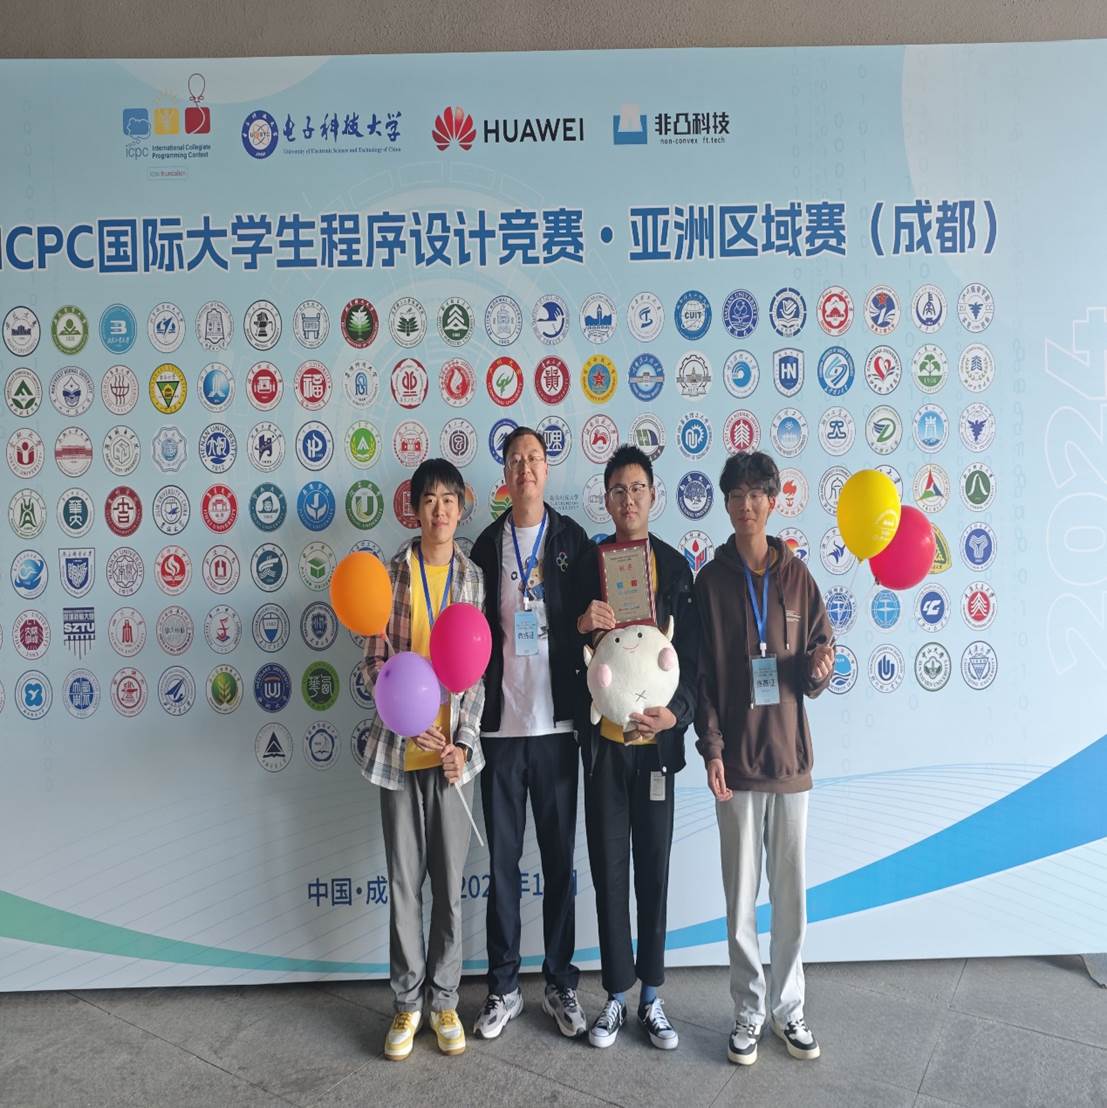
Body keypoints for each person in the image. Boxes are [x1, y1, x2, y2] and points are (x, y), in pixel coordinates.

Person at [694, 451, 835, 1066]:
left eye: (756, 494)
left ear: (773, 502)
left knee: (790, 894)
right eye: (736, 495)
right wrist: (712, 749)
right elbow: (702, 677)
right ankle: (748, 1012)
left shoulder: (798, 577)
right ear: (726, 504)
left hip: (789, 760)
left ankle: (789, 1009)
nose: (746, 505)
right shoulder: (710, 582)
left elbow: (818, 655)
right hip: (737, 763)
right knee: (740, 898)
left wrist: (821, 668)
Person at [359, 457, 486, 1061]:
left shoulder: (474, 578)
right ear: (415, 510)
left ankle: (445, 1002)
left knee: (449, 888)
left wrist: (463, 743)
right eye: (429, 500)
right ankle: (407, 1004)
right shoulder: (390, 574)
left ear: (462, 508)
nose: (439, 511)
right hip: (398, 755)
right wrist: (402, 711)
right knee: (404, 884)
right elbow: (372, 662)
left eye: (448, 500)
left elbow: (477, 674)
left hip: (452, 760)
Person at [573, 444, 699, 1050]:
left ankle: (652, 996)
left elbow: (694, 661)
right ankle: (616, 997)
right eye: (618, 490)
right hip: (605, 748)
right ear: (606, 500)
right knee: (609, 871)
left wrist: (676, 716)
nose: (628, 499)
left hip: (655, 751)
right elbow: (560, 650)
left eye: (637, 488)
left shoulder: (674, 569)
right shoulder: (587, 568)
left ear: (653, 496)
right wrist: (580, 624)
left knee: (653, 868)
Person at [469, 426, 592, 1040]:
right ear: (505, 473)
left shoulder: (571, 540)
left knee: (559, 860)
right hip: (500, 728)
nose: (525, 469)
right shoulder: (485, 545)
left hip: (557, 724)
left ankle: (561, 983)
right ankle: (504, 987)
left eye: (534, 459)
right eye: (515, 459)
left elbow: (597, 622)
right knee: (502, 864)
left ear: (547, 470)